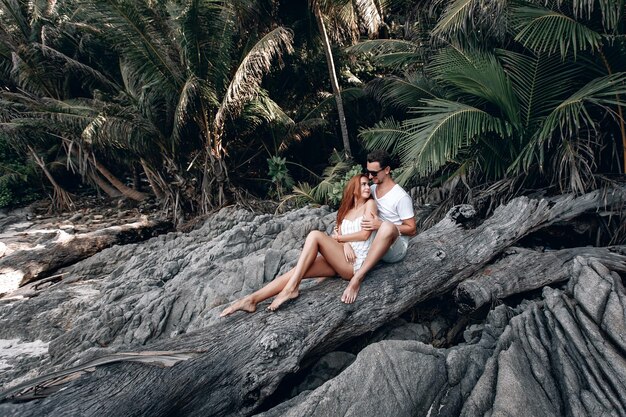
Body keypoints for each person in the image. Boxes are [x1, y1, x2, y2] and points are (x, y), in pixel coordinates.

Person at [220, 174, 377, 316]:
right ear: (353, 188)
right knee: (298, 270)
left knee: (314, 235)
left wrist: (343, 239)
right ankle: (252, 299)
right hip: (341, 257)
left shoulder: (369, 205)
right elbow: (338, 237)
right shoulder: (345, 211)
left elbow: (365, 234)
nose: (367, 187)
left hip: (355, 263)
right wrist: (345, 243)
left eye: (367, 184)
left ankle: (291, 288)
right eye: (362, 184)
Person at [340, 149, 416, 304]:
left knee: (387, 226)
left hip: (396, 246)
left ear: (387, 170)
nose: (370, 177)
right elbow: (348, 211)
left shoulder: (401, 197)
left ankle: (357, 279)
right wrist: (344, 242)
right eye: (368, 172)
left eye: (374, 173)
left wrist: (380, 225)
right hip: (375, 240)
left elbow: (412, 229)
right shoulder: (372, 188)